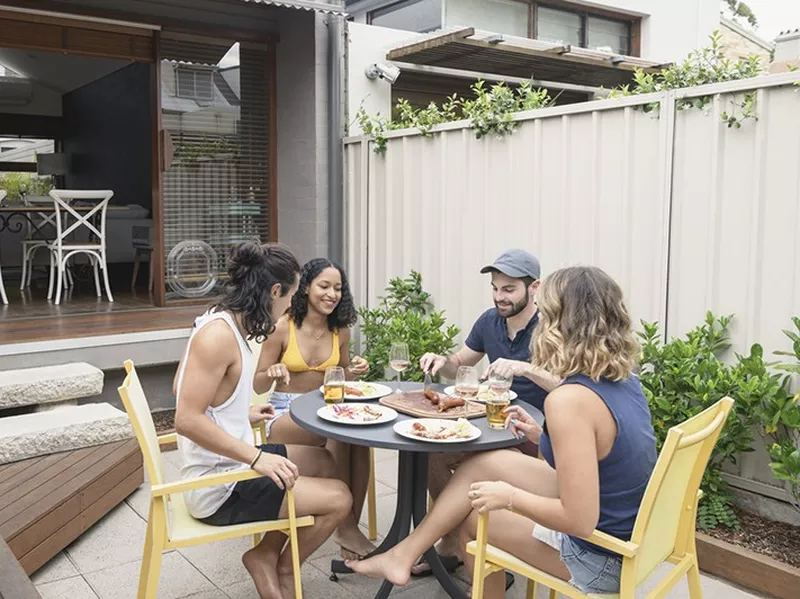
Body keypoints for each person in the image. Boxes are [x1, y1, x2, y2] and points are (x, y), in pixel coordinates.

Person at [348, 266, 658, 599]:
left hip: (602, 558)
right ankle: (403, 554)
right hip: (630, 531)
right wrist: (542, 437)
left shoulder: (568, 400)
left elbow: (579, 521)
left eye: (547, 313)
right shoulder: (625, 379)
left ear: (558, 324)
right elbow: (603, 451)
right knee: (483, 464)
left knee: (476, 519)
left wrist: (508, 497)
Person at [173, 242, 352, 599]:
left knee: (325, 461)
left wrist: (237, 411)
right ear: (274, 291)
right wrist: (257, 457)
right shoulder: (218, 337)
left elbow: (184, 386)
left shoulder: (221, 321)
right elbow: (186, 419)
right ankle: (283, 568)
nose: (289, 308)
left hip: (229, 464)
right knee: (340, 499)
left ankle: (265, 554)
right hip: (218, 487)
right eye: (288, 300)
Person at [412, 249, 560, 576]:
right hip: (488, 422)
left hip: (531, 433)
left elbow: (567, 387)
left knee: (474, 467)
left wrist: (525, 368)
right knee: (429, 454)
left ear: (534, 287)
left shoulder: (550, 328)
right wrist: (442, 362)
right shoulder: (489, 321)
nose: (499, 297)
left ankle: (496, 555)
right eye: (495, 288)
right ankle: (451, 539)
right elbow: (459, 364)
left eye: (508, 290)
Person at [254, 258, 374, 561]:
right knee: (341, 434)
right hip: (285, 414)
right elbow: (256, 384)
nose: (331, 294)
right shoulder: (282, 327)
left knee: (358, 442)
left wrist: (354, 370)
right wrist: (273, 371)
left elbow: (341, 376)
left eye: (338, 288)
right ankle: (347, 530)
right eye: (324, 286)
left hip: (325, 407)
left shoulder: (340, 331)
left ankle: (349, 526)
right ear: (306, 287)